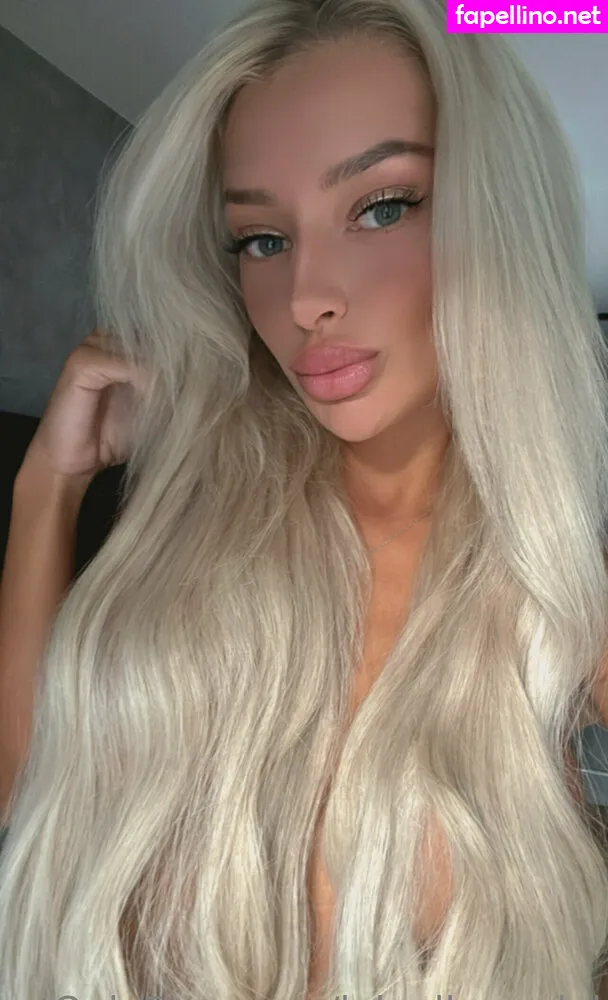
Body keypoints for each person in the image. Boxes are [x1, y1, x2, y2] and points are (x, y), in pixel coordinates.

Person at [1, 0, 608, 996]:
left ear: (494, 217)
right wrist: (49, 487)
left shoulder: (555, 587)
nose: (304, 297)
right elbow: (38, 806)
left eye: (382, 207)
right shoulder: (208, 521)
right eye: (260, 239)